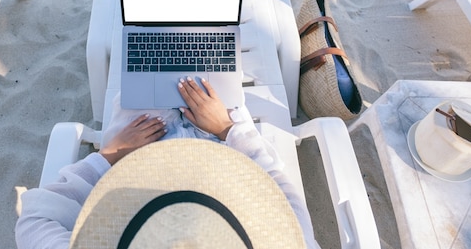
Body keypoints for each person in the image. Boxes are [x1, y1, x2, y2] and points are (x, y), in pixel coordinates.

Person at [16, 77, 319, 248]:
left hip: (136, 148)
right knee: (210, 63)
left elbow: (34, 220)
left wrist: (110, 155)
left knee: (144, 61)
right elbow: (284, 203)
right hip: (221, 150)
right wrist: (228, 129)